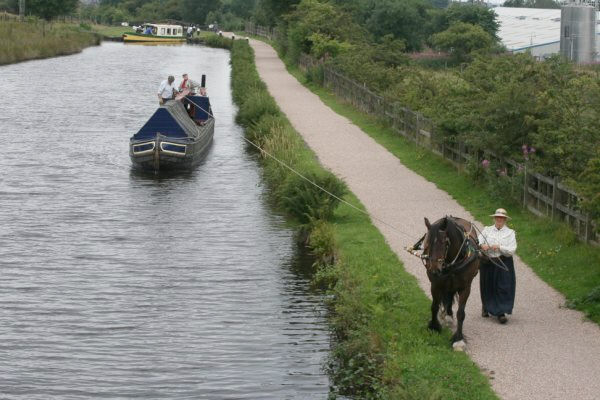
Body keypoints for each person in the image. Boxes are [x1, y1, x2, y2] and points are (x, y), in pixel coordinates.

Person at [478, 208, 517, 324]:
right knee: (487, 285)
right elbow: (478, 241)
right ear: (494, 218)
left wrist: (500, 247)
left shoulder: (510, 233)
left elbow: (512, 250)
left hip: (504, 261)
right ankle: (486, 306)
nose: (499, 219)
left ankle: (501, 312)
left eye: (502, 218)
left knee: (503, 286)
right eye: (497, 217)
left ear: (505, 220)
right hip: (488, 261)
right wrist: (482, 245)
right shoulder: (487, 230)